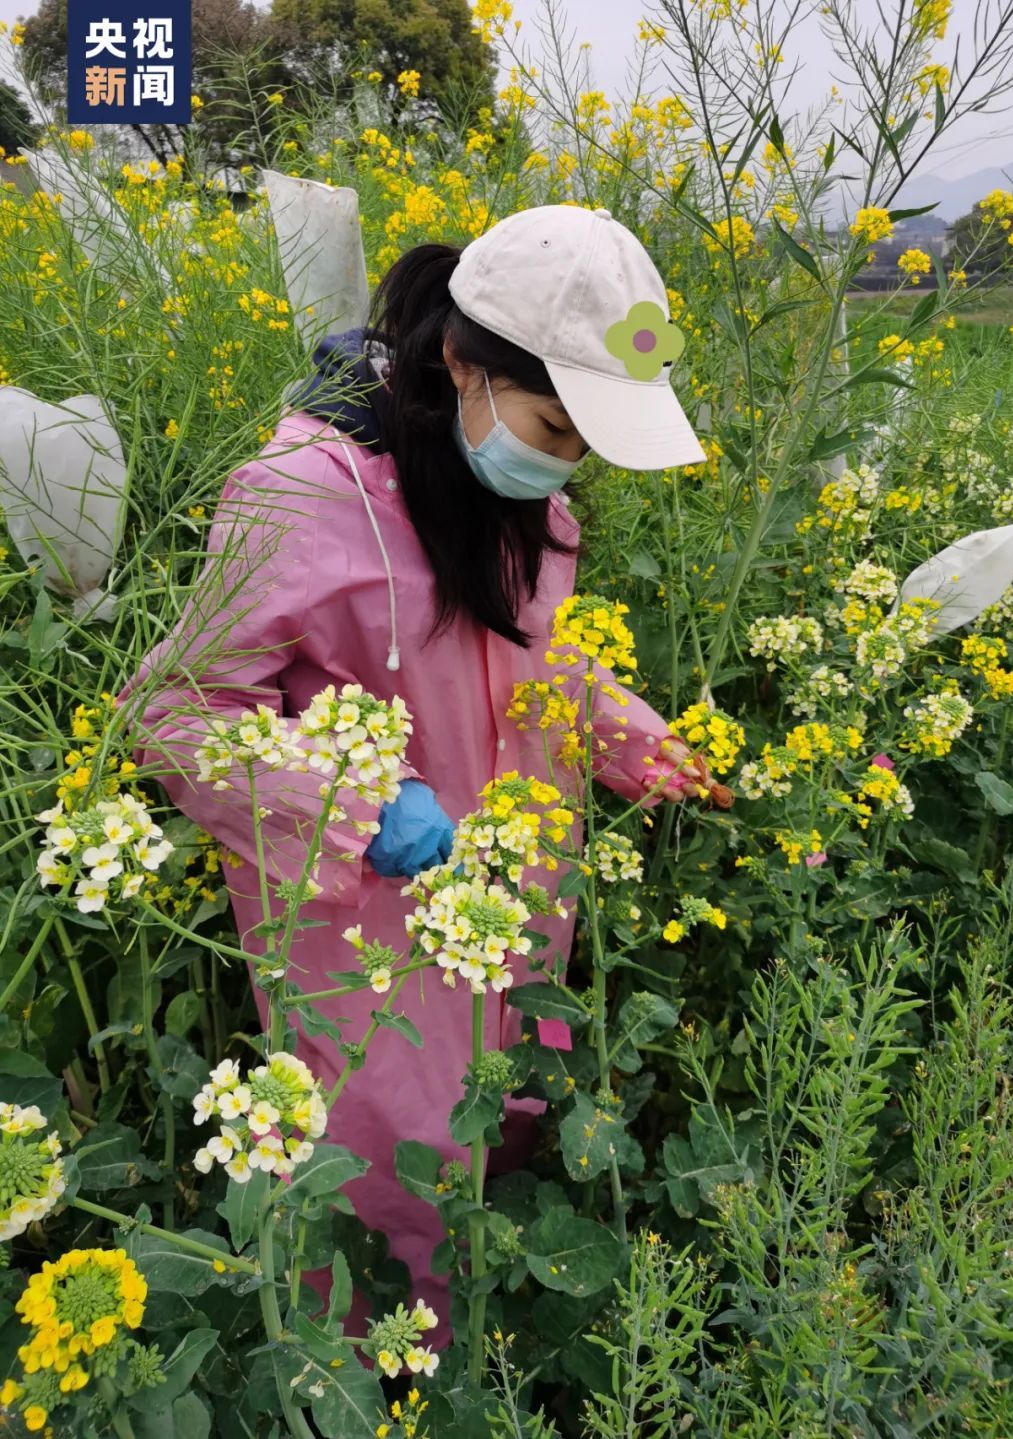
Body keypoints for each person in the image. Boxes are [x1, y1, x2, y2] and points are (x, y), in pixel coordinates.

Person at [117, 203, 711, 1346]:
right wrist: (346, 798)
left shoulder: (532, 509)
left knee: (510, 1123)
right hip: (367, 936)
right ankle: (376, 1385)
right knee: (397, 1170)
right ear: (462, 362)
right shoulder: (302, 500)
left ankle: (487, 1358)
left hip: (517, 909)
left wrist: (627, 729)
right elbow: (176, 707)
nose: (565, 459)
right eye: (555, 422)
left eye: (586, 439)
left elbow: (531, 665)